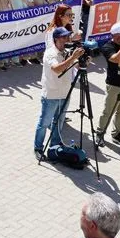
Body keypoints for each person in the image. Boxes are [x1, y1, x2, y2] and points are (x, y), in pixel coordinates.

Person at [33, 27, 84, 159]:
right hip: (51, 95)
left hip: (65, 93)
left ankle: (55, 144)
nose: (67, 39)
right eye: (63, 37)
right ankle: (38, 148)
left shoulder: (67, 51)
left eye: (67, 36)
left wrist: (83, 61)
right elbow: (57, 69)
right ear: (56, 39)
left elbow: (77, 66)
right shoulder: (50, 53)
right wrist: (72, 58)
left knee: (59, 120)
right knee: (44, 123)